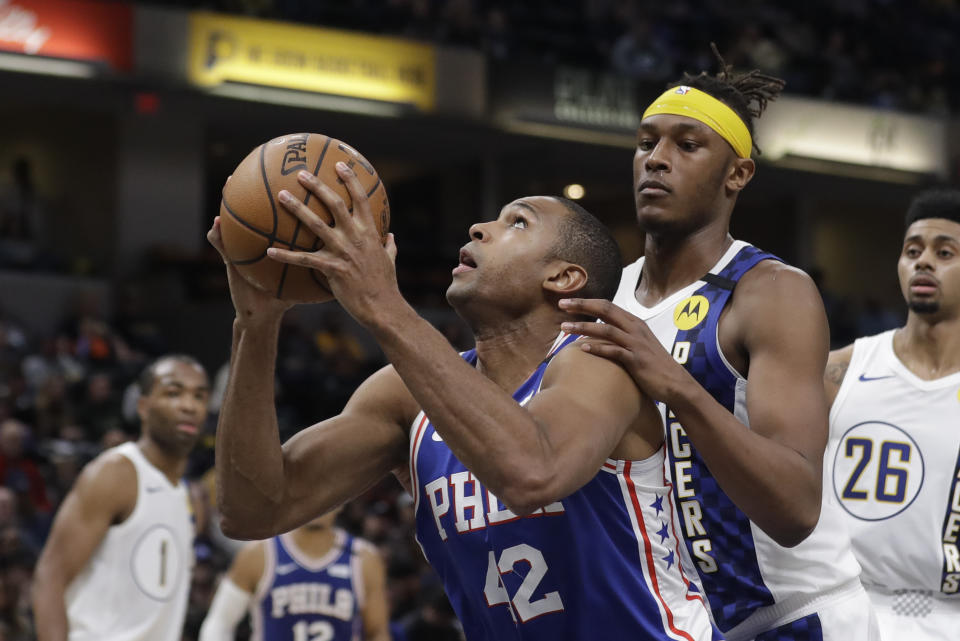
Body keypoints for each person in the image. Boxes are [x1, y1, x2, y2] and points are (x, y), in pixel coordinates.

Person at [210, 162, 720, 640]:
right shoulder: (403, 396)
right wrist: (255, 328)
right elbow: (252, 510)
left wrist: (384, 306)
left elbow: (533, 472)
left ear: (564, 277)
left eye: (517, 223)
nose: (479, 228)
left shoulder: (600, 360)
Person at [559, 50, 879, 640]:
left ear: (738, 173)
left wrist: (677, 386)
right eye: (645, 142)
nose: (656, 160)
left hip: (798, 617)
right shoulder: (607, 296)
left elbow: (795, 509)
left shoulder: (772, 293)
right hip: (686, 623)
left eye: (687, 145)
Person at [823, 189, 960, 640]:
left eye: (945, 252)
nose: (924, 262)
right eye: (913, 251)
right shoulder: (838, 372)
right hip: (845, 607)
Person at [31, 355, 210, 641]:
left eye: (199, 396)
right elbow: (50, 576)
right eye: (173, 393)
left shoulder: (193, 498)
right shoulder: (115, 473)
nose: (188, 405)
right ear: (143, 406)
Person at [198, 507, 390, 641]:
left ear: (343, 499)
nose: (318, 502)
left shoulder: (363, 559)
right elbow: (219, 622)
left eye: (327, 492)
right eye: (311, 492)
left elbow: (377, 633)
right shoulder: (258, 555)